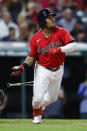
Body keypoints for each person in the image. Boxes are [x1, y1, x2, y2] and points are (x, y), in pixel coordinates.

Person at [11, 8, 77, 124]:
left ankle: (39, 108)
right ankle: (37, 118)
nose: (52, 19)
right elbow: (32, 56)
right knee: (37, 99)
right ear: (42, 21)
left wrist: (59, 49)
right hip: (42, 69)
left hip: (58, 69)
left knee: (53, 98)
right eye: (49, 17)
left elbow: (73, 46)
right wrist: (23, 66)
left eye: (53, 17)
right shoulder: (35, 38)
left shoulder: (61, 31)